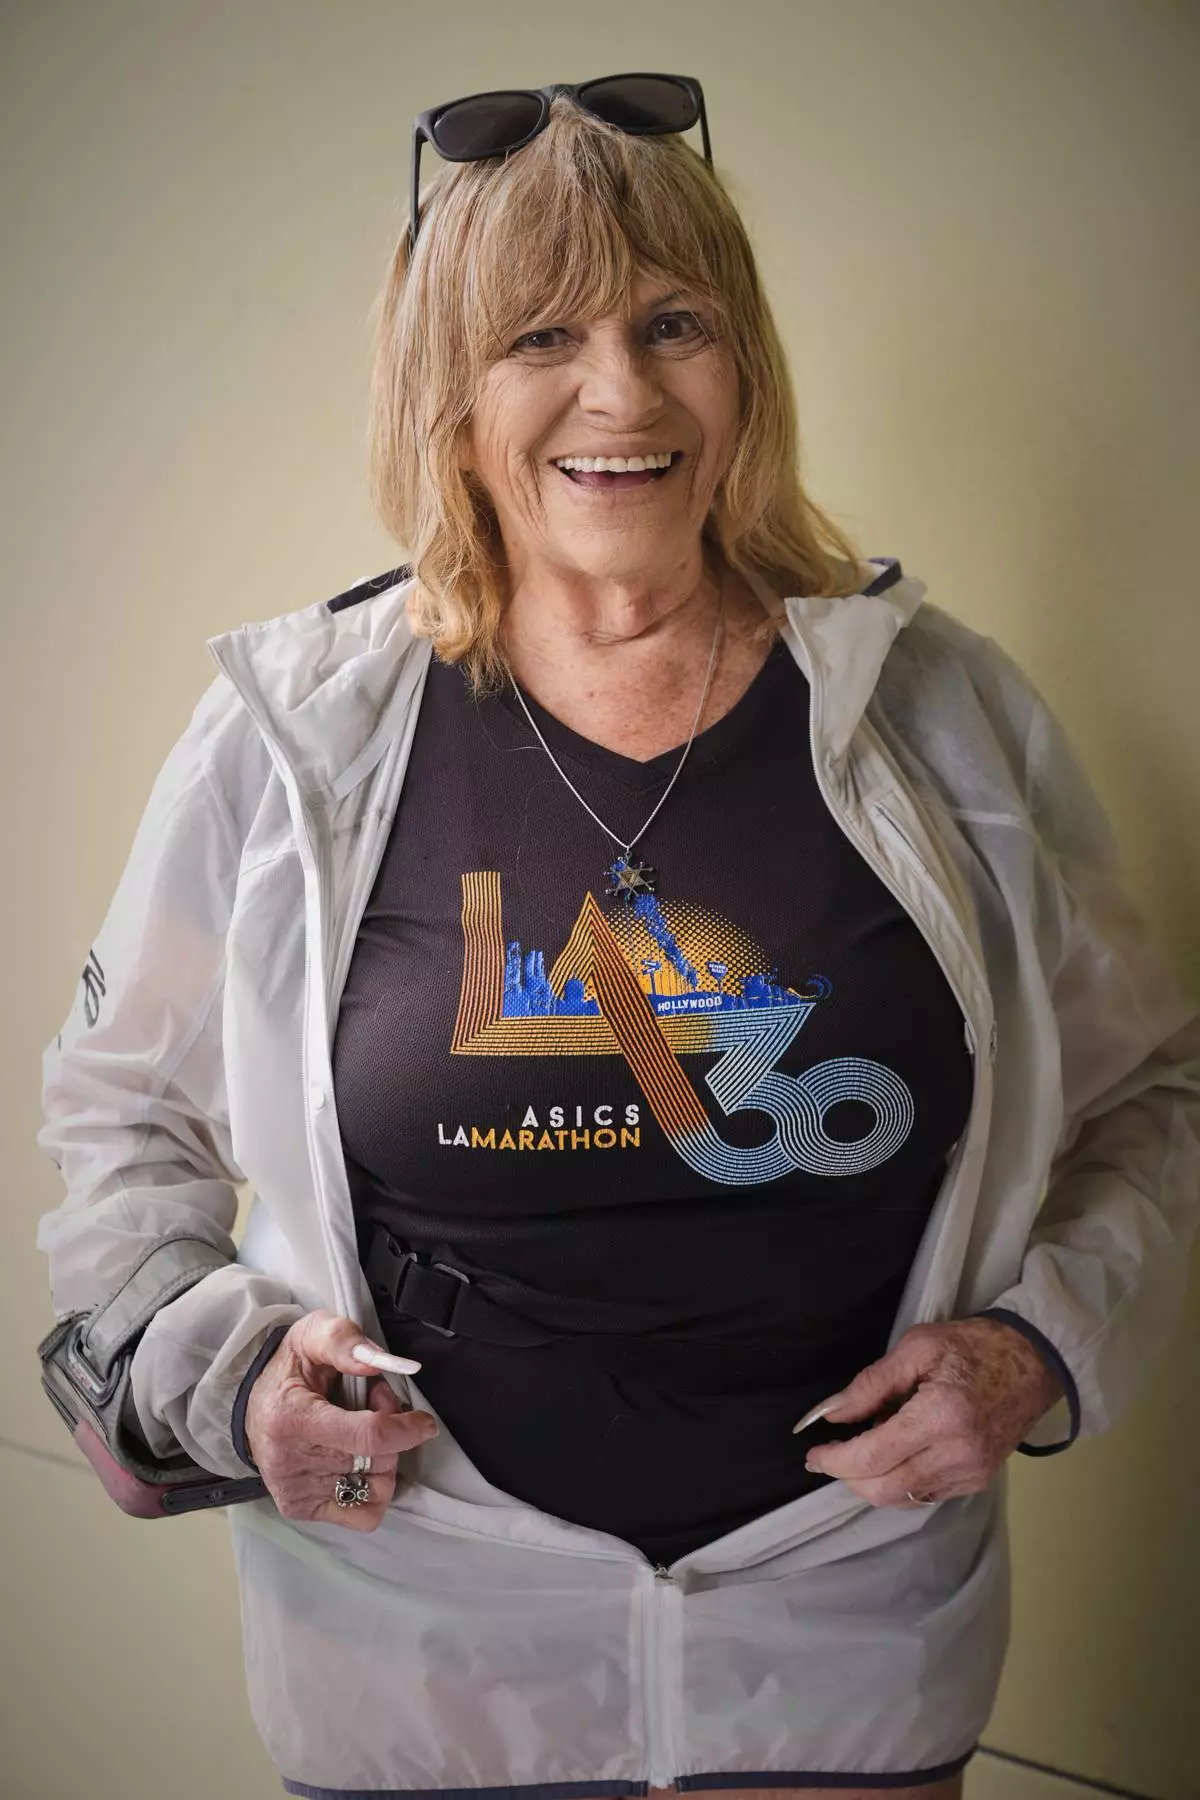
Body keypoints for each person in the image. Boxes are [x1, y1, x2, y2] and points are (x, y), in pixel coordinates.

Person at [35, 75, 1200, 1800]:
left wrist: (1038, 1350)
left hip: (845, 1629)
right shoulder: (295, 739)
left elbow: (1151, 1094)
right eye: (542, 338)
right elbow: (120, 1119)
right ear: (449, 392)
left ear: (746, 369)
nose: (624, 393)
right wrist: (228, 1380)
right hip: (417, 1645)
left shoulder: (941, 714)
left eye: (676, 325)